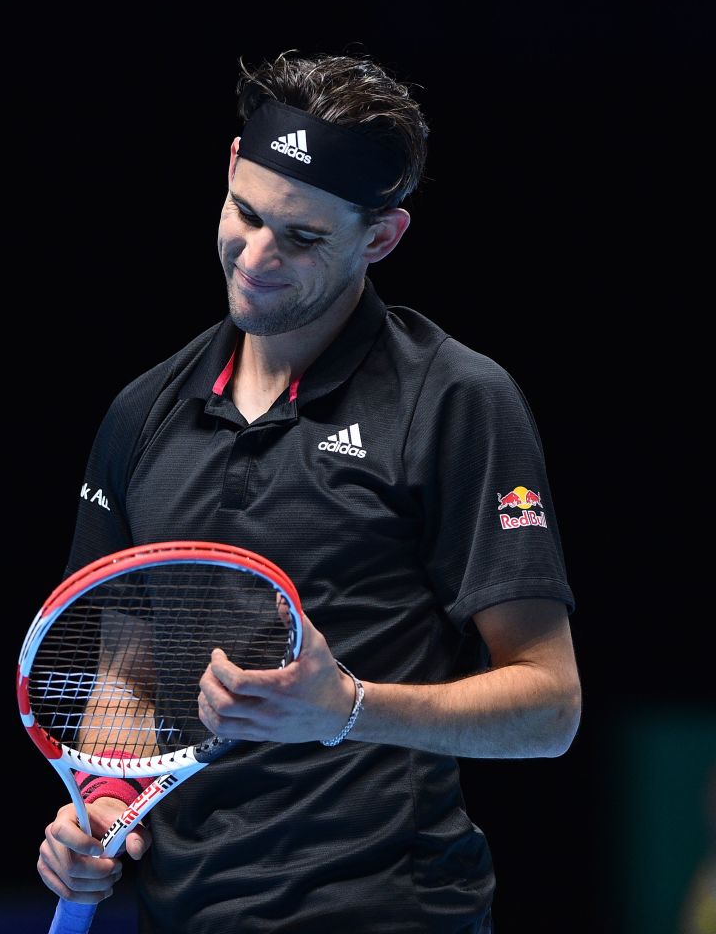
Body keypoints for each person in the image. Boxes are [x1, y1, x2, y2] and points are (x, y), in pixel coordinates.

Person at [36, 49, 582, 934]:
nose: (257, 257)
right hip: (184, 913)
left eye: (302, 238)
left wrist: (348, 709)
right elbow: (125, 679)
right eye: (246, 214)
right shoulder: (141, 413)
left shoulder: (455, 401)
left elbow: (549, 708)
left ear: (382, 237)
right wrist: (101, 810)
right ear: (229, 167)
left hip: (389, 909)